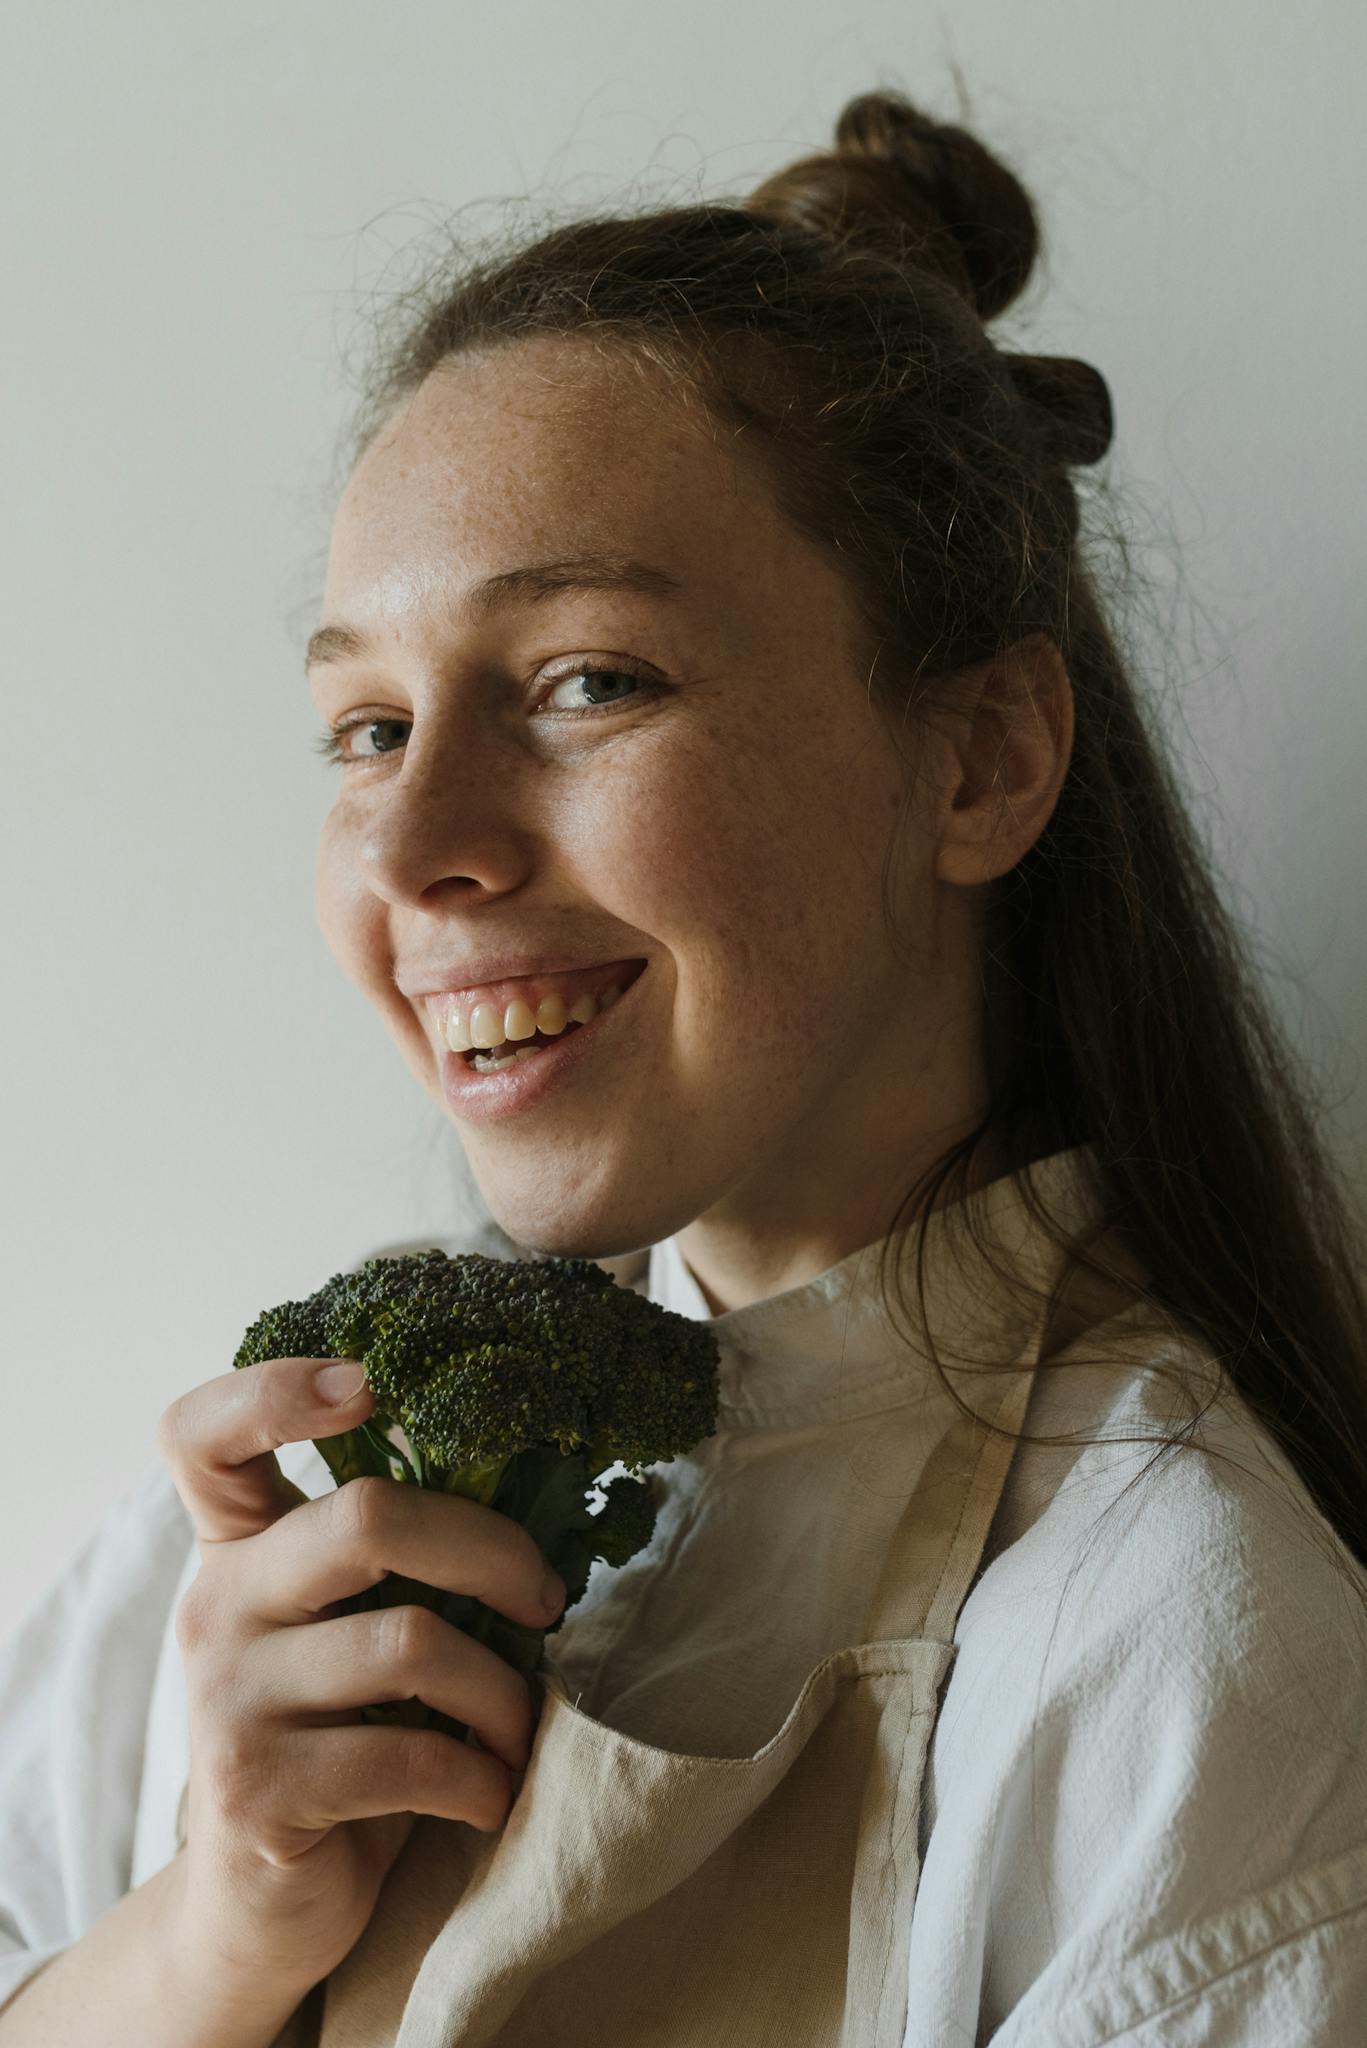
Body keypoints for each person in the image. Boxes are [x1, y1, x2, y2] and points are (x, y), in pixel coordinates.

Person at [2, 85, 1365, 2048]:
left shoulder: (1177, 1668)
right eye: (367, 727)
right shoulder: (269, 1529)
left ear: (981, 760)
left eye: (584, 681)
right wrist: (207, 1938)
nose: (408, 854)